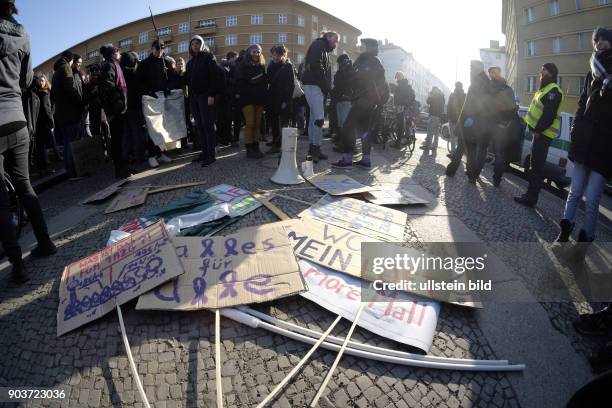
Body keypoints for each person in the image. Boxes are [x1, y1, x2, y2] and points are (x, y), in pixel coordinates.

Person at [1, 0, 56, 283]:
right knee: (24, 184)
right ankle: (45, 242)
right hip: (17, 117)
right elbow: (27, 80)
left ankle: (17, 265)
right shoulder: (22, 32)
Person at [556, 27, 612, 246]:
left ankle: (586, 236)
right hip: (584, 140)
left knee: (593, 198)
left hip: (605, 145)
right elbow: (581, 105)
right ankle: (565, 226)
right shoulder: (592, 72)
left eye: (605, 40)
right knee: (575, 190)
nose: (600, 43)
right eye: (597, 40)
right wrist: (575, 131)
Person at [332, 38, 387, 169]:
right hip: (366, 100)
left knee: (347, 127)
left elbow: (365, 78)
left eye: (363, 45)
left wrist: (351, 71)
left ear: (370, 47)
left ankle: (347, 159)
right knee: (363, 131)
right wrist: (348, 70)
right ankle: (366, 160)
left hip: (365, 100)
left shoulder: (371, 61)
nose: (361, 47)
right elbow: (354, 79)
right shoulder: (366, 60)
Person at [514, 62, 563, 207]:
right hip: (540, 134)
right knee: (534, 167)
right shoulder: (545, 89)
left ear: (551, 73)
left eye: (544, 71)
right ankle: (529, 195)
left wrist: (538, 130)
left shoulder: (553, 91)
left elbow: (548, 115)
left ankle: (530, 199)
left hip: (543, 135)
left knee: (536, 169)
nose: (541, 74)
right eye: (541, 71)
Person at [445, 60, 493, 182]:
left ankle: (452, 170)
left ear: (478, 68)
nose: (470, 70)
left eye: (472, 68)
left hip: (471, 122)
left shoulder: (479, 82)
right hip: (473, 122)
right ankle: (471, 175)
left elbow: (478, 103)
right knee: (469, 149)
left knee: (464, 147)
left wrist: (470, 117)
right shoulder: (482, 81)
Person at [302, 31, 339, 162]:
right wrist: (325, 86)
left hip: (315, 86)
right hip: (314, 85)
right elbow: (316, 65)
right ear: (328, 38)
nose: (336, 44)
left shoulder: (322, 48)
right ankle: (314, 150)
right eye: (335, 41)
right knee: (318, 119)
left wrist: (325, 87)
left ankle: (314, 148)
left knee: (314, 118)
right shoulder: (319, 45)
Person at [137, 40, 174, 168]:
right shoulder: (144, 64)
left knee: (162, 127)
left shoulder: (165, 62)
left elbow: (170, 78)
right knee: (153, 128)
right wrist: (148, 92)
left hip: (163, 96)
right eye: (157, 48)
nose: (160, 50)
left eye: (162, 48)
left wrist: (168, 87)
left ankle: (161, 153)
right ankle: (151, 155)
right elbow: (139, 81)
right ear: (152, 48)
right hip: (150, 98)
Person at [185, 35, 219, 167]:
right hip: (194, 98)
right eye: (193, 44)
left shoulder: (209, 57)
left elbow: (215, 77)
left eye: (197, 43)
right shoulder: (190, 63)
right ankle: (204, 152)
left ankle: (211, 155)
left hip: (206, 96)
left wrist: (211, 94)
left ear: (202, 44)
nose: (195, 46)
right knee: (199, 126)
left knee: (207, 125)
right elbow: (188, 81)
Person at [51, 50, 85, 178]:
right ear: (70, 59)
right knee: (72, 143)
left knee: (66, 143)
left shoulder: (56, 72)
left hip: (61, 114)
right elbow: (70, 89)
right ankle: (74, 172)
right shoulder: (65, 68)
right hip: (70, 112)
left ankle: (70, 172)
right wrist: (80, 102)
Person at [99, 44, 129, 178]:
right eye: (118, 52)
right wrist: (119, 102)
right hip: (115, 109)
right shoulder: (108, 65)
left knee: (120, 139)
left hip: (118, 108)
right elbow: (108, 85)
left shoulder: (113, 64)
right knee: (117, 140)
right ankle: (120, 169)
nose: (120, 54)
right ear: (113, 54)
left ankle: (124, 167)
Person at [235, 44, 267, 159]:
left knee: (258, 124)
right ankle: (249, 149)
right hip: (247, 99)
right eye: (254, 51)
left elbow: (264, 83)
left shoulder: (262, 66)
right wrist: (252, 83)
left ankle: (256, 147)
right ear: (249, 52)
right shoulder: (242, 65)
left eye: (258, 52)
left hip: (259, 100)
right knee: (250, 123)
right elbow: (239, 82)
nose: (256, 54)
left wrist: (263, 97)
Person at [488, 66, 519, 187]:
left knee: (498, 153)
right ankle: (476, 173)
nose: (493, 74)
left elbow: (511, 109)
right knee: (492, 151)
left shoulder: (505, 89)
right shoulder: (503, 88)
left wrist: (503, 123)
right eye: (492, 72)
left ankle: (496, 179)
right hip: (489, 124)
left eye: (495, 72)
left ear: (499, 73)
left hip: (497, 125)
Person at [266, 45, 295, 154]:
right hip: (273, 98)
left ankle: (279, 144)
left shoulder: (288, 66)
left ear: (284, 55)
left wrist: (286, 101)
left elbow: (290, 85)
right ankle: (275, 141)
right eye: (274, 54)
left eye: (279, 55)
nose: (276, 57)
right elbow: (268, 80)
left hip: (283, 99)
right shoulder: (271, 65)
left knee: (283, 123)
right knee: (274, 122)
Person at [120, 51, 146, 165]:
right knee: (137, 132)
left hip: (124, 108)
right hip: (135, 107)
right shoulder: (135, 74)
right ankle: (139, 156)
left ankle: (127, 156)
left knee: (127, 133)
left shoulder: (121, 74)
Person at [331, 54, 353, 151]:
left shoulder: (348, 70)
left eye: (340, 63)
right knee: (341, 124)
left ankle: (348, 147)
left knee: (345, 124)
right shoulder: (345, 70)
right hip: (340, 99)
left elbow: (341, 83)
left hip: (345, 99)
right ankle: (343, 144)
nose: (339, 65)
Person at [392, 71, 416, 146]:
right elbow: (412, 96)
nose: (396, 79)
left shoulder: (401, 85)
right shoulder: (407, 85)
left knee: (400, 125)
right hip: (406, 107)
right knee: (405, 123)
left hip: (401, 107)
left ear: (400, 77)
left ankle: (398, 143)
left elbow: (399, 97)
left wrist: (401, 103)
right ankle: (408, 137)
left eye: (397, 77)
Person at [421, 86, 445, 151]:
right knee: (436, 132)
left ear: (435, 90)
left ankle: (427, 146)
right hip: (439, 116)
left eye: (433, 90)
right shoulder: (442, 96)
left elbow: (428, 101)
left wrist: (430, 95)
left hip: (433, 115)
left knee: (430, 131)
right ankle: (434, 146)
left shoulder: (435, 96)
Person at [446, 81, 466, 156]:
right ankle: (457, 154)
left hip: (453, 118)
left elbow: (449, 107)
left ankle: (453, 153)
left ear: (456, 86)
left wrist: (448, 116)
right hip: (461, 119)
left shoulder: (452, 95)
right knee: (459, 138)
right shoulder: (464, 95)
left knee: (453, 137)